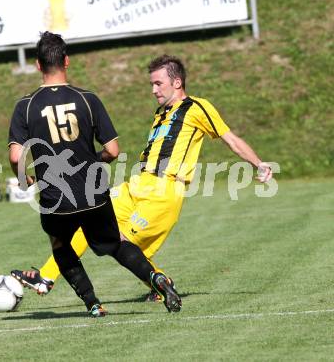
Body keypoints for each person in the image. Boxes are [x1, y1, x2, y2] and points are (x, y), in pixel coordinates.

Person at [16, 54, 273, 302]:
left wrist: (259, 163)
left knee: (120, 242)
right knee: (87, 218)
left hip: (164, 191)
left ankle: (160, 282)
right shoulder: (161, 113)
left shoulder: (197, 107)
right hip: (138, 184)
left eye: (158, 83)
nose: (153, 89)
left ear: (177, 82)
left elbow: (230, 138)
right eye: (152, 83)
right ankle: (46, 277)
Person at [8, 33, 181, 317]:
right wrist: (90, 159)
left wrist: (26, 177)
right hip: (93, 191)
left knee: (61, 246)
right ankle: (156, 278)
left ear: (38, 65)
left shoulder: (25, 106)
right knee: (115, 243)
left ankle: (93, 304)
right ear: (66, 61)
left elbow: (16, 157)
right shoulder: (87, 99)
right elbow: (112, 150)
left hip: (55, 199)